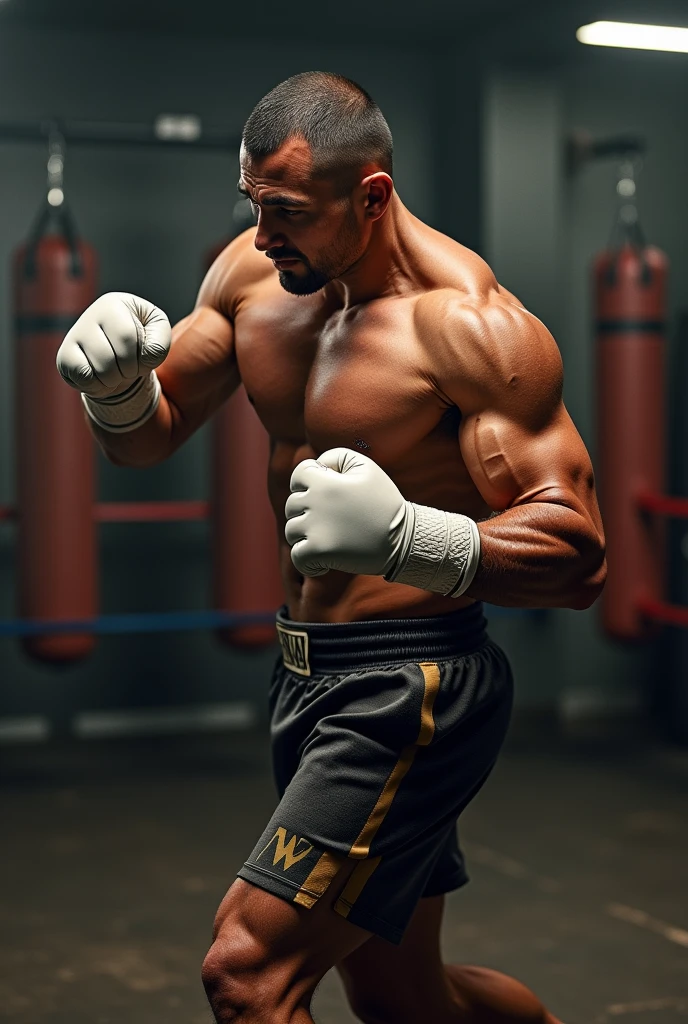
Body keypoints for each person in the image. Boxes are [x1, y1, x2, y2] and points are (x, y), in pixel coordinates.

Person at [56, 72, 606, 1024]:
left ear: (373, 197)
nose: (265, 237)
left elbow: (580, 554)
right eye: (254, 207)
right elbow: (154, 431)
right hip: (304, 675)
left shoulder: (469, 327)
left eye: (288, 214)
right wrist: (117, 389)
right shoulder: (250, 279)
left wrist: (409, 540)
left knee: (248, 974)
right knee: (404, 998)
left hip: (413, 693)